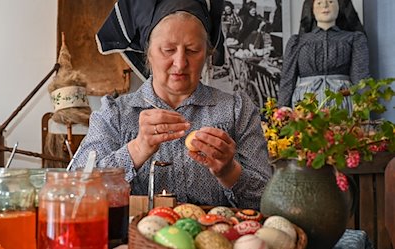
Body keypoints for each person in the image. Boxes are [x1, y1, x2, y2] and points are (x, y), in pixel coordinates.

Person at [73, 0, 272, 209]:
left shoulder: (236, 111)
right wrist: (137, 149)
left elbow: (268, 203)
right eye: (168, 50)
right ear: (148, 52)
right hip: (137, 239)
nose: (180, 63)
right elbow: (76, 192)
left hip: (217, 238)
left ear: (207, 54)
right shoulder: (115, 115)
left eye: (193, 50)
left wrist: (229, 172)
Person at [277, 0, 370, 110]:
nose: (325, 6)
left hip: (342, 101)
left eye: (330, 2)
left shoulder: (354, 39)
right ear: (311, 8)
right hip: (305, 104)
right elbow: (288, 79)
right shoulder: (298, 42)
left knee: (342, 126)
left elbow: (360, 76)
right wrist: (283, 107)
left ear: (339, 6)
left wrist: (364, 105)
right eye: (319, 3)